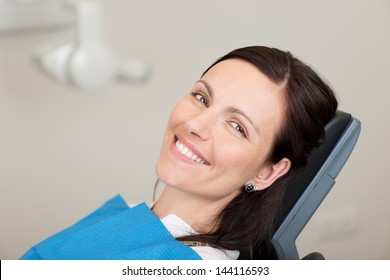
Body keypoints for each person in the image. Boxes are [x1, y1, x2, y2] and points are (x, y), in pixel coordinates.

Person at [20, 46, 338, 260]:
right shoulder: (130, 213)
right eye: (201, 97)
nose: (196, 124)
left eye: (237, 126)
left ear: (266, 172)